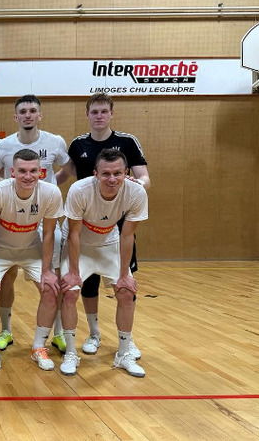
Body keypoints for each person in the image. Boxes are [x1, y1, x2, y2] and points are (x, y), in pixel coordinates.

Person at [62, 93, 151, 359]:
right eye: (95, 112)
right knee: (86, 284)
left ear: (111, 113)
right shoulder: (78, 144)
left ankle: (127, 341)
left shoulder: (127, 141)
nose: (99, 116)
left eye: (104, 111)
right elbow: (65, 173)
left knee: (126, 284)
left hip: (117, 223)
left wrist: (136, 186)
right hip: (86, 221)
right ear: (87, 114)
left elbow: (144, 176)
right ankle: (94, 333)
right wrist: (40, 187)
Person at [0, 94, 72, 353]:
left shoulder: (55, 141)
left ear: (39, 115)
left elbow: (68, 169)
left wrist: (49, 186)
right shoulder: (3, 145)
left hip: (43, 216)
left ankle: (58, 333)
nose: (28, 115)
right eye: (23, 111)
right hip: (11, 219)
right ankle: (5, 330)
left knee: (53, 277)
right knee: (6, 277)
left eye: (32, 110)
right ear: (16, 116)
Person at [0, 149, 64, 371]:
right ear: (12, 172)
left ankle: (39, 347)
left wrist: (47, 271)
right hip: (0, 250)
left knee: (50, 289)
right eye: (22, 171)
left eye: (33, 171)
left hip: (31, 249)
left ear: (41, 172)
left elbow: (49, 233)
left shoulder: (51, 193)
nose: (28, 176)